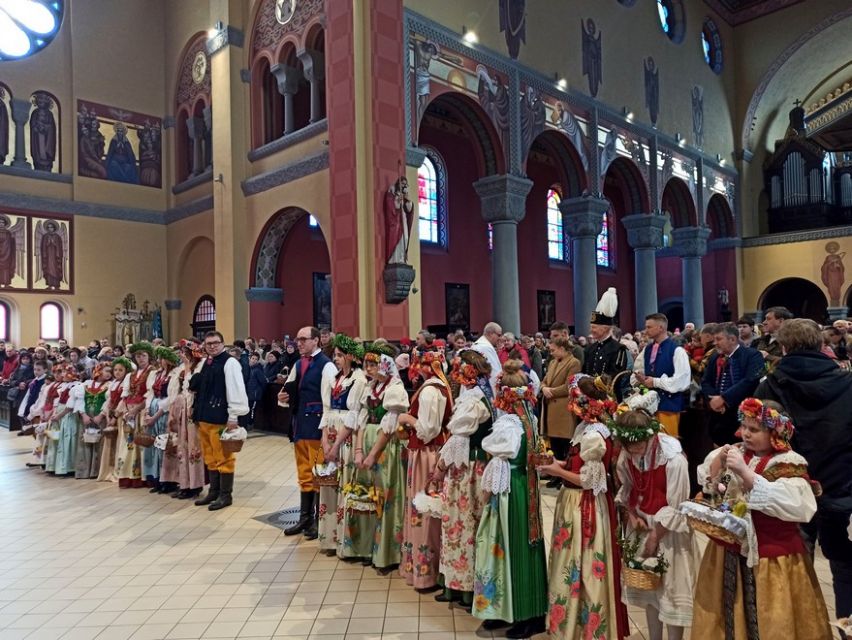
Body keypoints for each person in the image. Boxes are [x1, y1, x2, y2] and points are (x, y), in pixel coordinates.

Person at [691, 398, 831, 640]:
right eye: (744, 426)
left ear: (775, 433)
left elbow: (802, 508)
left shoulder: (787, 464)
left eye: (754, 429)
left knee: (775, 622)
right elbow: (722, 491)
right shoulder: (739, 454)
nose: (745, 433)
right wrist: (719, 466)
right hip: (728, 553)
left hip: (772, 560)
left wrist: (747, 475)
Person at [755, 318, 852, 627]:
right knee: (838, 548)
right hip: (839, 479)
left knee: (797, 553)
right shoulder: (847, 381)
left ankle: (803, 625)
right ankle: (847, 620)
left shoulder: (769, 384)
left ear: (783, 347)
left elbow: (761, 439)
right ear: (818, 344)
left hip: (791, 481)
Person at [537, 374, 629, 640]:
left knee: (582, 562)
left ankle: (585, 627)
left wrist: (556, 471)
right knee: (571, 561)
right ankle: (571, 622)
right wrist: (558, 464)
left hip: (584, 504)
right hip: (573, 501)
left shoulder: (595, 435)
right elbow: (577, 466)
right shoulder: (586, 430)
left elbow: (588, 480)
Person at [612, 393, 697, 640]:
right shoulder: (627, 455)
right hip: (641, 526)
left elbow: (678, 506)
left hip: (668, 532)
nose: (633, 452)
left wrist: (655, 537)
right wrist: (630, 515)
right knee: (649, 591)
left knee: (670, 595)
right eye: (628, 447)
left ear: (650, 436)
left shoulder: (672, 458)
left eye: (637, 446)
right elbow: (626, 490)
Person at [473, 360, 548, 639]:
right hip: (522, 484)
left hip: (511, 492)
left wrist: (486, 495)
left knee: (511, 547)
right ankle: (508, 609)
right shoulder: (528, 415)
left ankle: (526, 613)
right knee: (519, 546)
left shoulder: (508, 422)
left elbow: (495, 450)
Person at [432, 349, 494, 610]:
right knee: (460, 525)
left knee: (463, 525)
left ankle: (465, 588)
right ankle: (454, 584)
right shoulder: (478, 394)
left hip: (467, 470)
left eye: (460, 368)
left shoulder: (476, 399)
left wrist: (441, 466)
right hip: (470, 466)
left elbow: (460, 437)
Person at [397, 348, 452, 591]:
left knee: (424, 509)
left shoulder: (431, 390)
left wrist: (407, 419)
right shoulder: (439, 386)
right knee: (424, 508)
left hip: (427, 454)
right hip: (428, 452)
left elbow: (427, 430)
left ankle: (426, 573)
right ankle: (424, 569)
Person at [278, 326, 336, 537]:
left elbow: (329, 402)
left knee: (318, 473)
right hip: (299, 426)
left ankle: (319, 521)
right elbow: (288, 391)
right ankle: (304, 518)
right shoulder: (297, 363)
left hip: (316, 427)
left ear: (316, 341)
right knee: (304, 472)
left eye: (303, 339)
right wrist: (282, 398)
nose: (298, 343)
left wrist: (326, 432)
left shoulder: (326, 366)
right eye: (297, 339)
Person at [358, 342, 410, 573]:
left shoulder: (395, 389)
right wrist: (359, 450)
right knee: (368, 497)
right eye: (366, 364)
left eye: (373, 364)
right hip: (369, 444)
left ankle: (387, 551)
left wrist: (372, 454)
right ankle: (368, 546)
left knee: (386, 495)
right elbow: (360, 419)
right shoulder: (371, 387)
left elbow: (389, 428)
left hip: (385, 448)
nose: (368, 368)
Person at [318, 335, 367, 556]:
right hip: (330, 434)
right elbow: (327, 410)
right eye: (334, 355)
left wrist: (336, 444)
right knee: (328, 484)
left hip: (345, 439)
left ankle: (344, 542)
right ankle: (329, 538)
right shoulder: (335, 379)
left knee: (344, 484)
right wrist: (324, 442)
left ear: (350, 356)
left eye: (339, 355)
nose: (336, 359)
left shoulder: (359, 380)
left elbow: (354, 416)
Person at [190, 331, 250, 511]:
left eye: (216, 343)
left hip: (220, 418)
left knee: (223, 457)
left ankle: (226, 495)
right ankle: (213, 492)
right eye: (209, 344)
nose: (212, 346)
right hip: (204, 416)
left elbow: (235, 389)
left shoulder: (230, 362)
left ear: (223, 343)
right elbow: (196, 387)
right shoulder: (206, 362)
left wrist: (233, 415)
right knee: (209, 457)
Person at [700, 323, 765, 445]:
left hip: (740, 415)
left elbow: (750, 381)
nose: (715, 343)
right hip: (718, 416)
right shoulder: (714, 357)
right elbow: (706, 381)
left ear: (733, 339)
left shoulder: (752, 355)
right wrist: (714, 400)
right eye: (714, 340)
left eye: (719, 339)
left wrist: (724, 398)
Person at [632, 313, 691, 438]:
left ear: (661, 328)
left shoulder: (677, 350)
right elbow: (641, 370)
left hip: (668, 406)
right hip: (648, 405)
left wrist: (655, 382)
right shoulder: (647, 349)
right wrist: (641, 378)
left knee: (667, 444)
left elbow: (682, 381)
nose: (646, 330)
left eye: (649, 327)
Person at [163, 341, 205, 500]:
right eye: (182, 353)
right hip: (180, 409)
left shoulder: (200, 367)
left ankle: (195, 484)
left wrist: (188, 367)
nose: (182, 356)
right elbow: (173, 391)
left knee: (192, 447)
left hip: (191, 409)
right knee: (180, 447)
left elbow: (191, 387)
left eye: (186, 352)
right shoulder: (179, 369)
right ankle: (183, 483)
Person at [539, 335, 582, 488]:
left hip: (564, 408)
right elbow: (544, 380)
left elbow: (569, 385)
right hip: (551, 408)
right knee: (555, 444)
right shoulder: (552, 362)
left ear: (563, 349)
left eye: (553, 350)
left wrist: (551, 391)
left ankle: (565, 477)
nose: (551, 353)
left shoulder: (574, 363)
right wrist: (544, 388)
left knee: (565, 444)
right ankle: (555, 475)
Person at [118, 342, 155, 489]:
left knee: (143, 443)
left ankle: (145, 476)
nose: (140, 358)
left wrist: (136, 410)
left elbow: (150, 395)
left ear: (149, 356)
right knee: (129, 444)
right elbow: (125, 394)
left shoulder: (152, 372)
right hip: (130, 413)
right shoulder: (130, 375)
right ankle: (129, 476)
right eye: (138, 356)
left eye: (143, 355)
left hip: (143, 410)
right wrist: (127, 411)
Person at [143, 347, 180, 493]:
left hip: (163, 413)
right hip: (152, 410)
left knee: (165, 445)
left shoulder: (174, 375)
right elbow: (150, 393)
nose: (159, 361)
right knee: (155, 446)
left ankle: (168, 480)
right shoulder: (155, 374)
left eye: (162, 358)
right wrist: (147, 411)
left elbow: (170, 398)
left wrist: (156, 416)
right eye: (158, 358)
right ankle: (156, 478)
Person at [583, 288, 629, 399]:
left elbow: (616, 376)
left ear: (604, 328)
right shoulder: (590, 349)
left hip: (609, 398)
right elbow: (584, 371)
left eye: (594, 327)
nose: (591, 330)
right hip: (589, 397)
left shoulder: (619, 349)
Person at [74, 362, 112, 479]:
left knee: (99, 444)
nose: (109, 374)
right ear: (98, 371)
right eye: (106, 371)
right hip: (87, 417)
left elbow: (108, 401)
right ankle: (84, 471)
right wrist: (83, 415)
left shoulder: (110, 385)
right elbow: (79, 400)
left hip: (99, 418)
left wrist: (101, 415)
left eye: (111, 371)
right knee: (85, 442)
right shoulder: (86, 384)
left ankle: (96, 471)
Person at [97, 357, 131, 482]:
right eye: (115, 370)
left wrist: (116, 416)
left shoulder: (126, 384)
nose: (117, 372)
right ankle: (108, 470)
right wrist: (107, 415)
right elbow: (109, 401)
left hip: (120, 415)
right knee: (110, 444)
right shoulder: (112, 384)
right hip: (111, 415)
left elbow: (124, 401)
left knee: (119, 443)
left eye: (120, 370)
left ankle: (118, 470)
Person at [472, 322, 503, 394]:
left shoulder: (477, 345)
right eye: (499, 335)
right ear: (490, 333)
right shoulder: (485, 348)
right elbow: (494, 374)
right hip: (485, 391)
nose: (500, 338)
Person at [246, 352, 267, 429]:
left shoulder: (258, 370)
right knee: (248, 408)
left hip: (255, 394)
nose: (254, 360)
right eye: (252, 358)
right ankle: (247, 423)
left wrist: (259, 391)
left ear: (258, 361)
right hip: (249, 393)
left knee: (252, 409)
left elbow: (263, 382)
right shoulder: (249, 369)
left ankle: (250, 424)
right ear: (250, 359)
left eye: (256, 359)